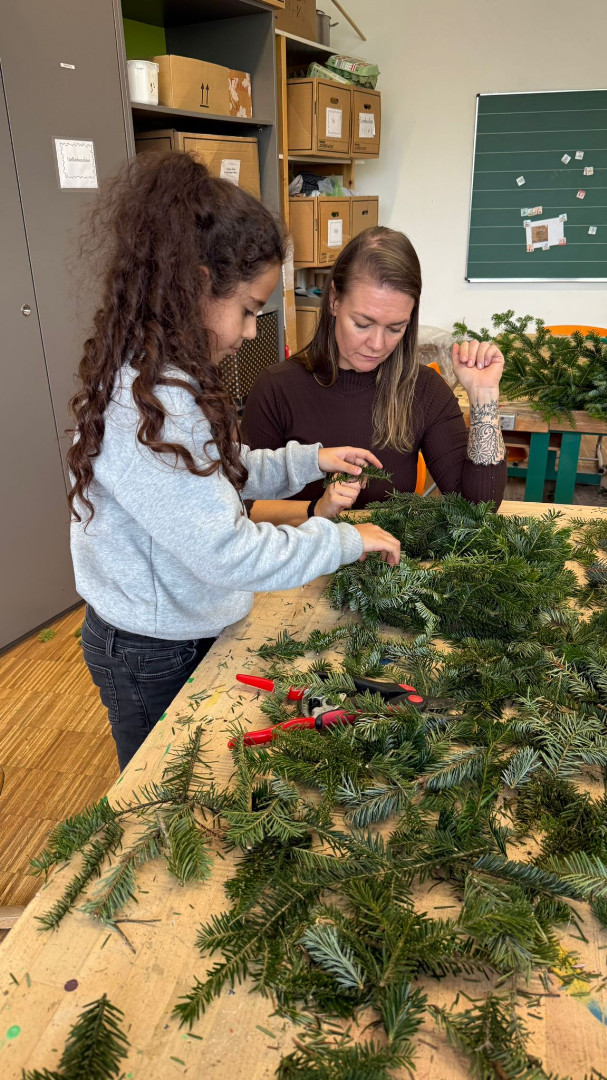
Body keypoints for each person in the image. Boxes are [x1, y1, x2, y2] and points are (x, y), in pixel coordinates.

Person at [67, 154, 400, 770]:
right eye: (248, 309)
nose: (251, 332)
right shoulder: (153, 403)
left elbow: (219, 470)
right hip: (151, 648)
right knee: (161, 786)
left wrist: (311, 459)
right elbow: (229, 552)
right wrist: (344, 540)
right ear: (196, 286)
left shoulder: (171, 376)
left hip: (181, 626)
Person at [241, 227, 507, 525]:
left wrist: (484, 398)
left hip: (390, 554)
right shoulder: (277, 388)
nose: (378, 345)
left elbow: (477, 510)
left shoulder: (424, 390)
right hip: (299, 552)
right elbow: (242, 510)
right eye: (363, 324)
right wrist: (316, 510)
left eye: (395, 328)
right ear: (334, 301)